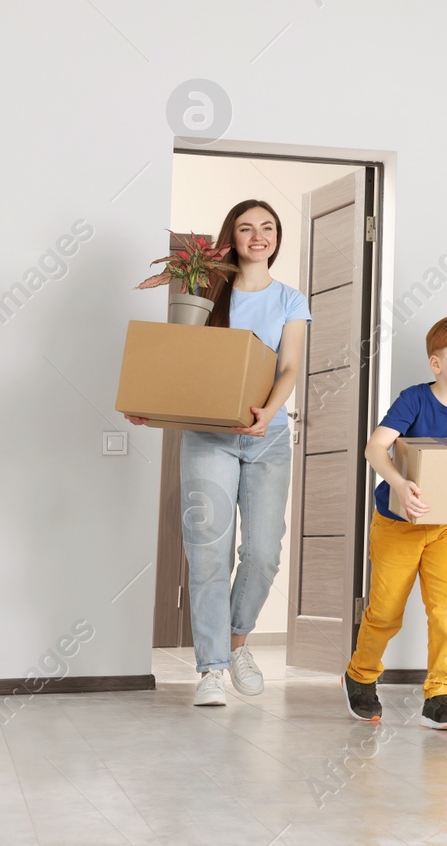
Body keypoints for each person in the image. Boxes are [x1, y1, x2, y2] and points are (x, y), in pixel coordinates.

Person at [127, 200, 309, 707]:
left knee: (264, 553)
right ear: (232, 236)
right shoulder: (206, 290)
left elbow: (290, 366)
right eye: (246, 228)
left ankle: (234, 641)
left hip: (266, 435)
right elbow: (183, 363)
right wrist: (151, 404)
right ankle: (210, 668)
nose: (258, 235)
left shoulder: (291, 299)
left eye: (267, 228)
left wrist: (269, 413)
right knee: (208, 549)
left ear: (277, 238)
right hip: (208, 434)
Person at [343, 316, 447, 729]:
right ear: (436, 363)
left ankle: (439, 695)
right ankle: (360, 675)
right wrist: (399, 484)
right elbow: (375, 448)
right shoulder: (414, 400)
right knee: (385, 611)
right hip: (398, 524)